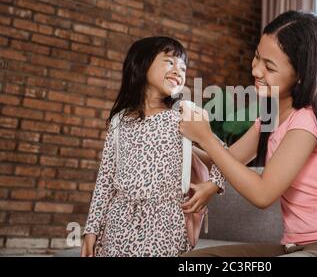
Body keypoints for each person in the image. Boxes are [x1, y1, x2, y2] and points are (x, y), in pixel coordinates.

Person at [180, 11, 317, 257]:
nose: (255, 70)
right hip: (295, 247)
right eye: (256, 57)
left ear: (301, 75)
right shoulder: (269, 116)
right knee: (194, 260)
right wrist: (180, 140)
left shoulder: (307, 119)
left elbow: (263, 194)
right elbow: (226, 159)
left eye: (269, 67)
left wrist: (207, 137)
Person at [81, 36, 224, 257]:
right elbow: (105, 181)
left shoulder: (184, 116)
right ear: (141, 64)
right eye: (170, 61)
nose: (179, 70)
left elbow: (224, 156)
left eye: (183, 67)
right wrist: (91, 230)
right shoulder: (119, 121)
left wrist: (212, 186)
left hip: (166, 224)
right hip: (118, 223)